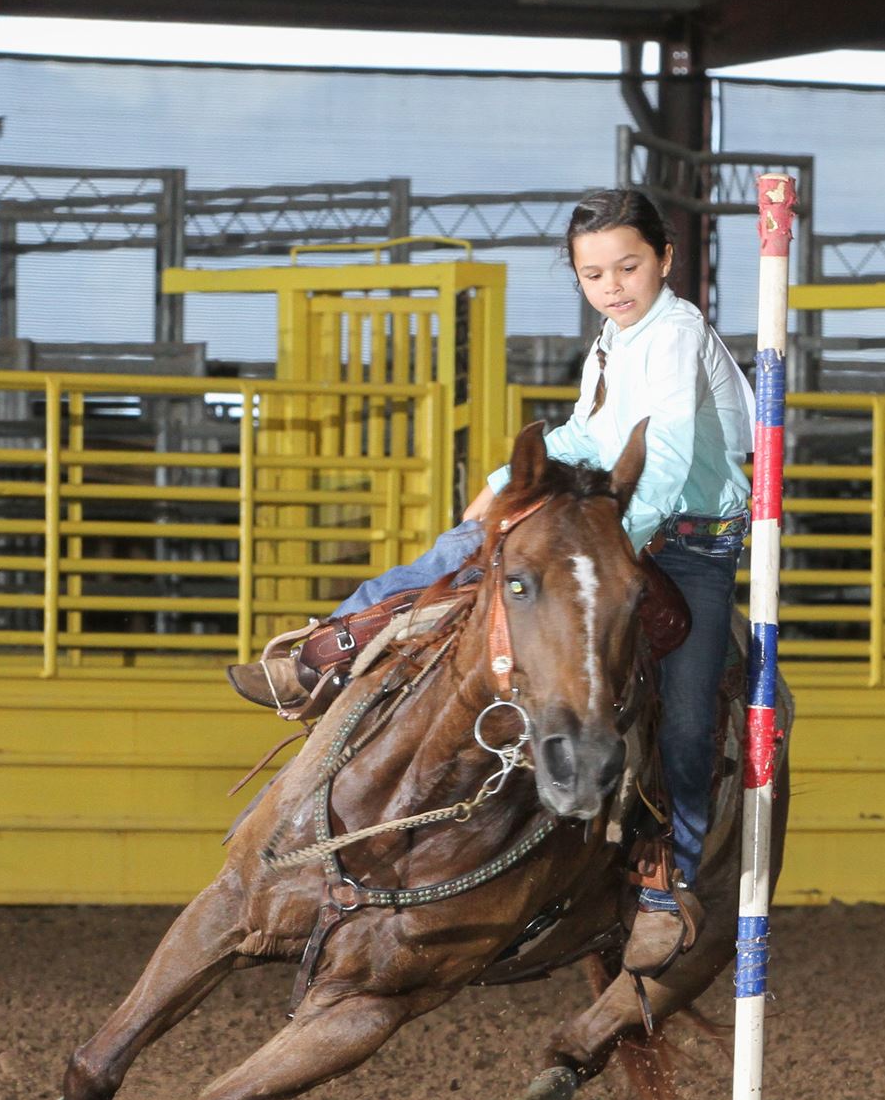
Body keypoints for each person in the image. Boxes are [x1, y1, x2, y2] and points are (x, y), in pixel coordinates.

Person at [225, 188, 754, 971]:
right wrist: (510, 478)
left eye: (629, 266)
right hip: (607, 523)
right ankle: (324, 652)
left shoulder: (676, 337)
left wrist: (598, 544)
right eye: (594, 273)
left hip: (683, 544)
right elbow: (587, 432)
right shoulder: (615, 340)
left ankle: (663, 878)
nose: (613, 285)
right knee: (457, 554)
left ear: (666, 261)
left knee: (685, 709)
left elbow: (668, 457)